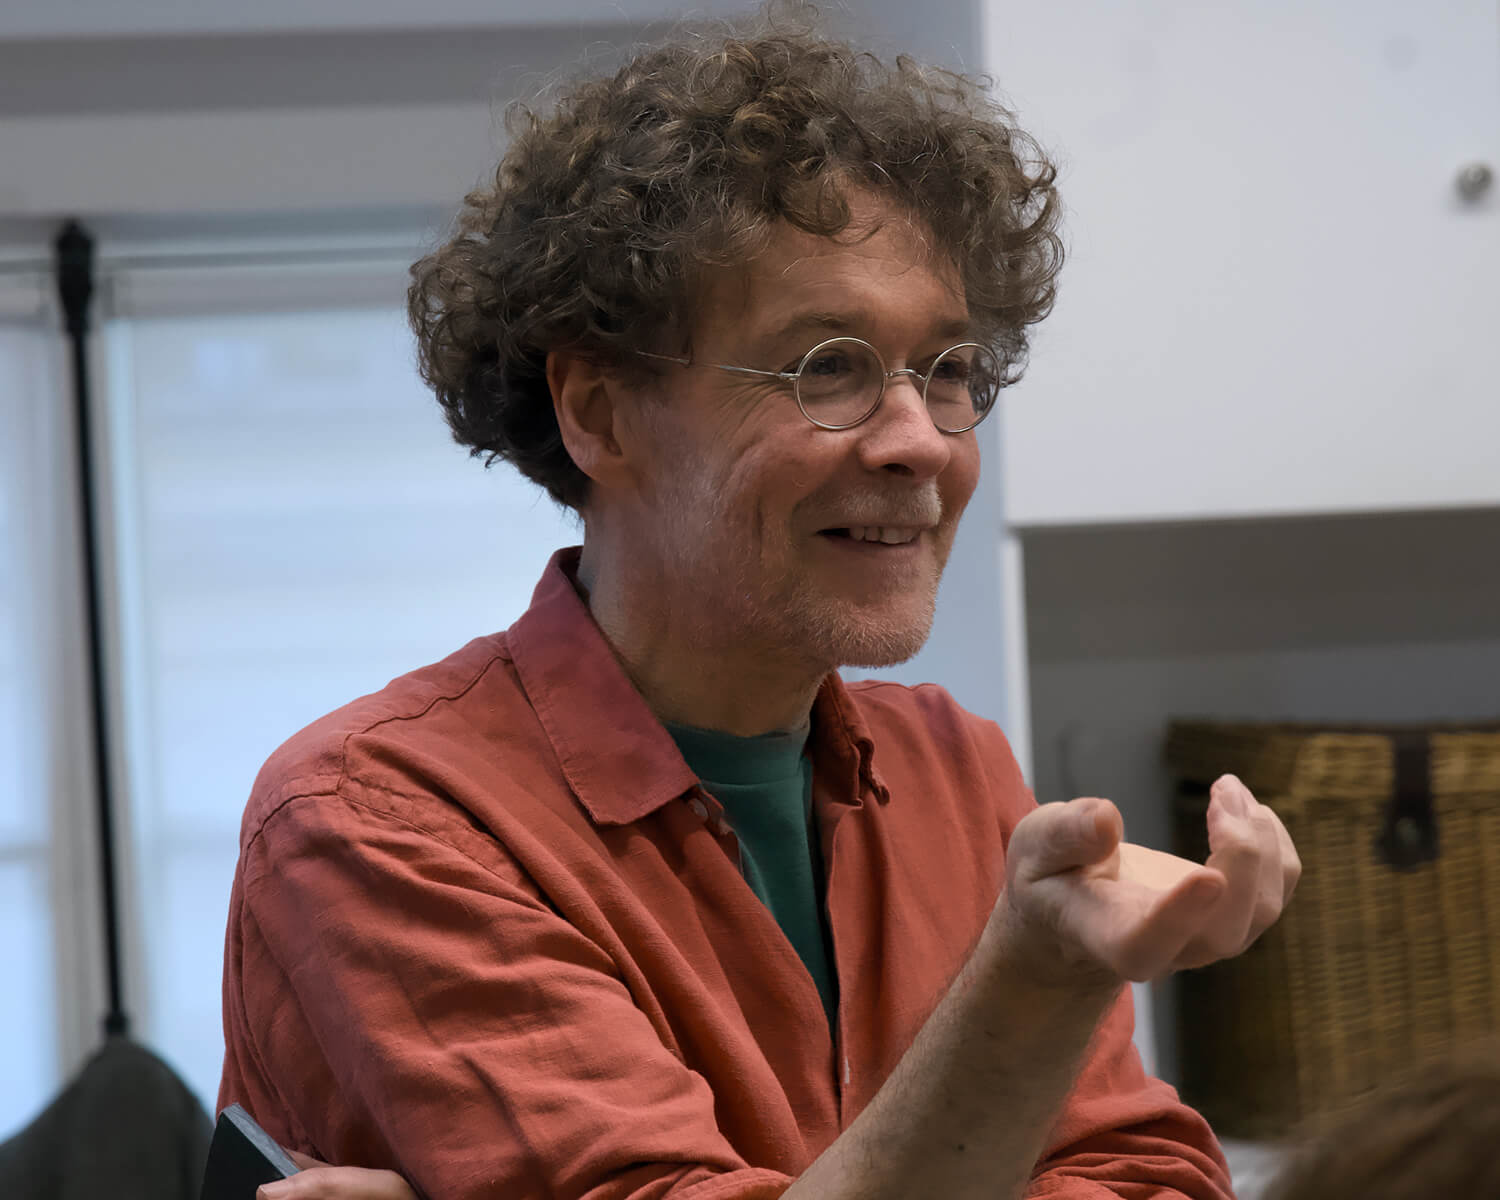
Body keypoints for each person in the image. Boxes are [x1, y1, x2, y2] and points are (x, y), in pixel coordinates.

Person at [221, 10, 1300, 1200]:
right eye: (826, 366)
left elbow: (1149, 1173)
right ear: (600, 414)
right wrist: (1033, 979)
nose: (919, 442)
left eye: (948, 371)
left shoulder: (954, 773)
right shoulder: (384, 822)